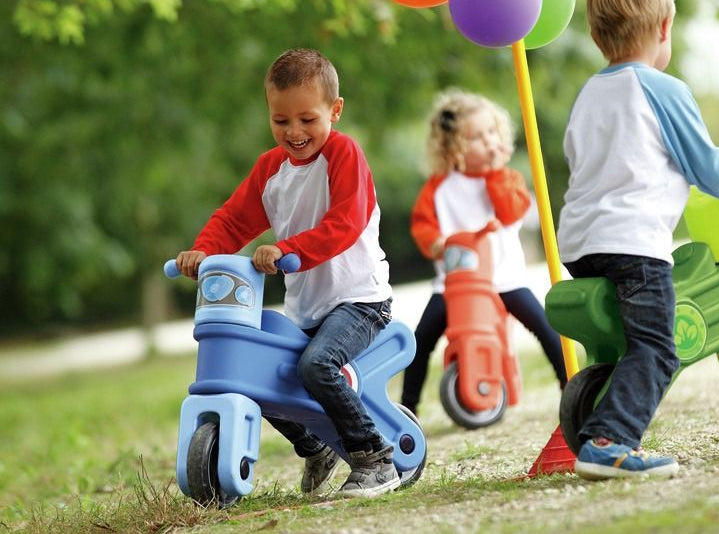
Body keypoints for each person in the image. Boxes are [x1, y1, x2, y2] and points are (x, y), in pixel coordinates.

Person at [175, 48, 400, 498]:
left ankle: (375, 457)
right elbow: (233, 219)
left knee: (318, 366)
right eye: (281, 120)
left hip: (359, 299)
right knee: (254, 372)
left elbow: (345, 223)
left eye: (307, 119)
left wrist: (287, 249)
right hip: (306, 306)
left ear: (335, 110)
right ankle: (316, 446)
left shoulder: (343, 154)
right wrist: (203, 251)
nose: (294, 132)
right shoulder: (270, 169)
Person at [558, 0, 719, 480]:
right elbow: (709, 168)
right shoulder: (662, 88)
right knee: (657, 346)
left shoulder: (589, 93)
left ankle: (605, 411)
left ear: (596, 36)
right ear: (665, 26)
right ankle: (609, 441)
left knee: (627, 340)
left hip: (582, 242)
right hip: (632, 243)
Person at [400, 89, 568, 417]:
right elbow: (423, 225)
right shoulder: (439, 187)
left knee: (544, 326)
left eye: (492, 131)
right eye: (477, 137)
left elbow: (511, 212)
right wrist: (435, 242)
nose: (489, 140)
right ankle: (408, 407)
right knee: (421, 340)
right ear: (453, 148)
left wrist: (495, 173)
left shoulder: (507, 178)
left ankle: (570, 384)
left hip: (503, 278)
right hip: (455, 284)